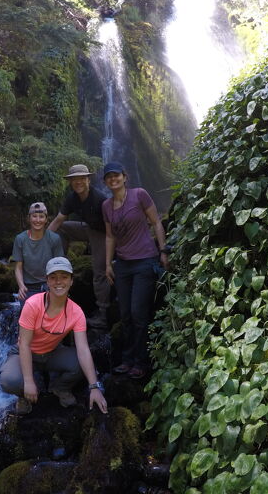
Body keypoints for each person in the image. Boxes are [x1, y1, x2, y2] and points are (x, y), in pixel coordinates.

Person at [0, 256, 109, 415]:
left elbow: (83, 349)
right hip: (24, 352)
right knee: (9, 380)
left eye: (64, 277)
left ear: (71, 281)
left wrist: (94, 387)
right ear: (47, 281)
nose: (59, 282)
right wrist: (29, 382)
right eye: (53, 277)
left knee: (80, 363)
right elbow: (24, 344)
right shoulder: (32, 304)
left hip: (52, 353)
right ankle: (23, 396)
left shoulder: (76, 312)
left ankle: (60, 388)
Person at [102, 161, 169, 380]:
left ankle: (141, 362)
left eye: (116, 175)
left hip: (144, 261)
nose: (113, 179)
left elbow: (156, 222)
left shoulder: (139, 195)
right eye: (109, 177)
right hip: (122, 265)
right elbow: (110, 236)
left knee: (138, 313)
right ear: (105, 181)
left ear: (125, 176)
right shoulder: (106, 206)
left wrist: (163, 250)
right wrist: (107, 264)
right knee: (125, 315)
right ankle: (127, 359)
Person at [48, 164, 110, 330]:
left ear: (88, 179)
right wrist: (41, 240)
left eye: (82, 178)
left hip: (103, 233)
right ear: (70, 182)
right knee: (63, 228)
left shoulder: (100, 199)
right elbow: (58, 220)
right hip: (87, 228)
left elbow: (111, 226)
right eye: (74, 179)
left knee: (99, 271)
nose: (78, 182)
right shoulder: (72, 198)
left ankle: (103, 314)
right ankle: (59, 264)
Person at [12, 202, 64, 301]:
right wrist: (21, 286)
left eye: (41, 216)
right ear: (29, 218)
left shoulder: (54, 239)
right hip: (28, 287)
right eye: (34, 216)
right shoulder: (20, 239)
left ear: (46, 219)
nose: (38, 220)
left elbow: (59, 266)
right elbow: (18, 267)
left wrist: (57, 287)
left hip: (50, 284)